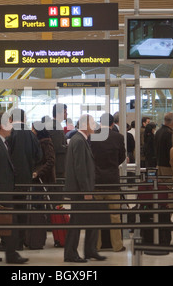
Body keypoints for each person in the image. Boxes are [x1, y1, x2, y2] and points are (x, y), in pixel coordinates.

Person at [0, 112, 28, 264]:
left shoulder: (1, 142)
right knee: (9, 222)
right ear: (2, 125)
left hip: (4, 190)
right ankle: (11, 254)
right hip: (0, 191)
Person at [64, 114, 106, 263]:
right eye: (92, 123)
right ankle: (71, 253)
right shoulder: (79, 141)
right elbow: (80, 168)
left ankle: (90, 250)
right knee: (76, 222)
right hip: (81, 190)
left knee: (92, 219)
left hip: (83, 189)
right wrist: (86, 191)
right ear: (84, 125)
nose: (94, 126)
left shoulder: (80, 139)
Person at [3, 108, 42, 250]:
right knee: (23, 209)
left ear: (11, 119)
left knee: (9, 210)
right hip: (26, 179)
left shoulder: (10, 133)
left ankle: (10, 242)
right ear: (24, 119)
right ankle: (21, 240)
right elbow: (39, 155)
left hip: (11, 179)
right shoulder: (31, 135)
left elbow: (5, 155)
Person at [90, 113, 126, 252]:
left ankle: (96, 245)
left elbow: (90, 156)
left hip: (96, 180)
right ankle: (117, 245)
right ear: (112, 124)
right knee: (115, 215)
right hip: (112, 181)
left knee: (96, 216)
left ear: (100, 122)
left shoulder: (92, 136)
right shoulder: (118, 137)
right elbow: (122, 157)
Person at [47, 103, 68, 179]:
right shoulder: (55, 127)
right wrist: (69, 146)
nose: (66, 114)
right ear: (59, 113)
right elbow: (57, 147)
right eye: (65, 112)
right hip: (58, 165)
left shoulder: (55, 125)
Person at [155, 112, 173, 177]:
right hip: (167, 166)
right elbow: (171, 150)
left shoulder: (158, 132)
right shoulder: (170, 133)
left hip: (159, 164)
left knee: (160, 186)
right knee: (169, 186)